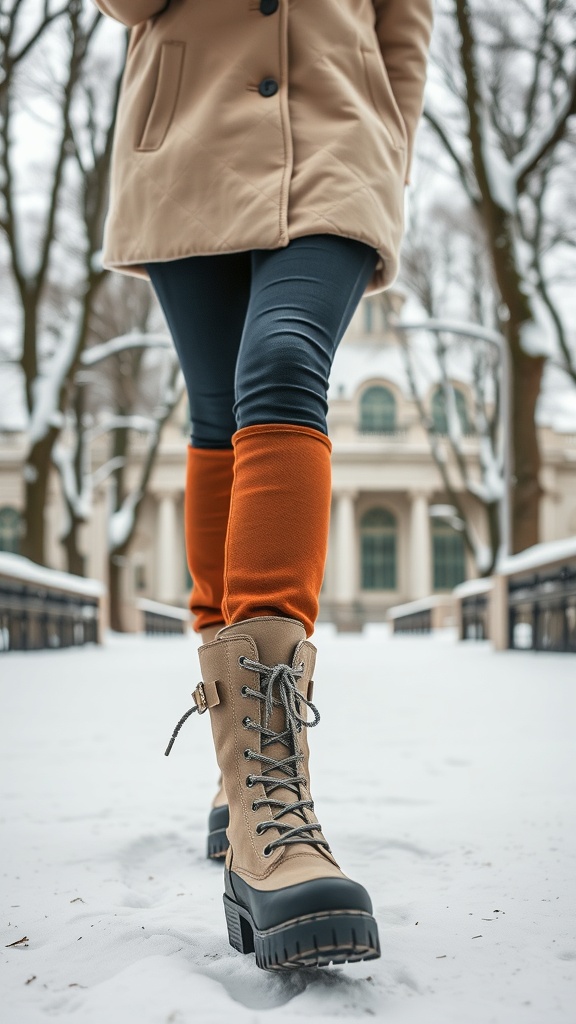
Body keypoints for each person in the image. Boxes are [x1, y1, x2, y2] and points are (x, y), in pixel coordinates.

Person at [93, 0, 433, 971]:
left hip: (339, 132)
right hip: (189, 128)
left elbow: (405, 23)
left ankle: (273, 803)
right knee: (218, 420)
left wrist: (390, 140)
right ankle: (242, 777)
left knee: (283, 364)